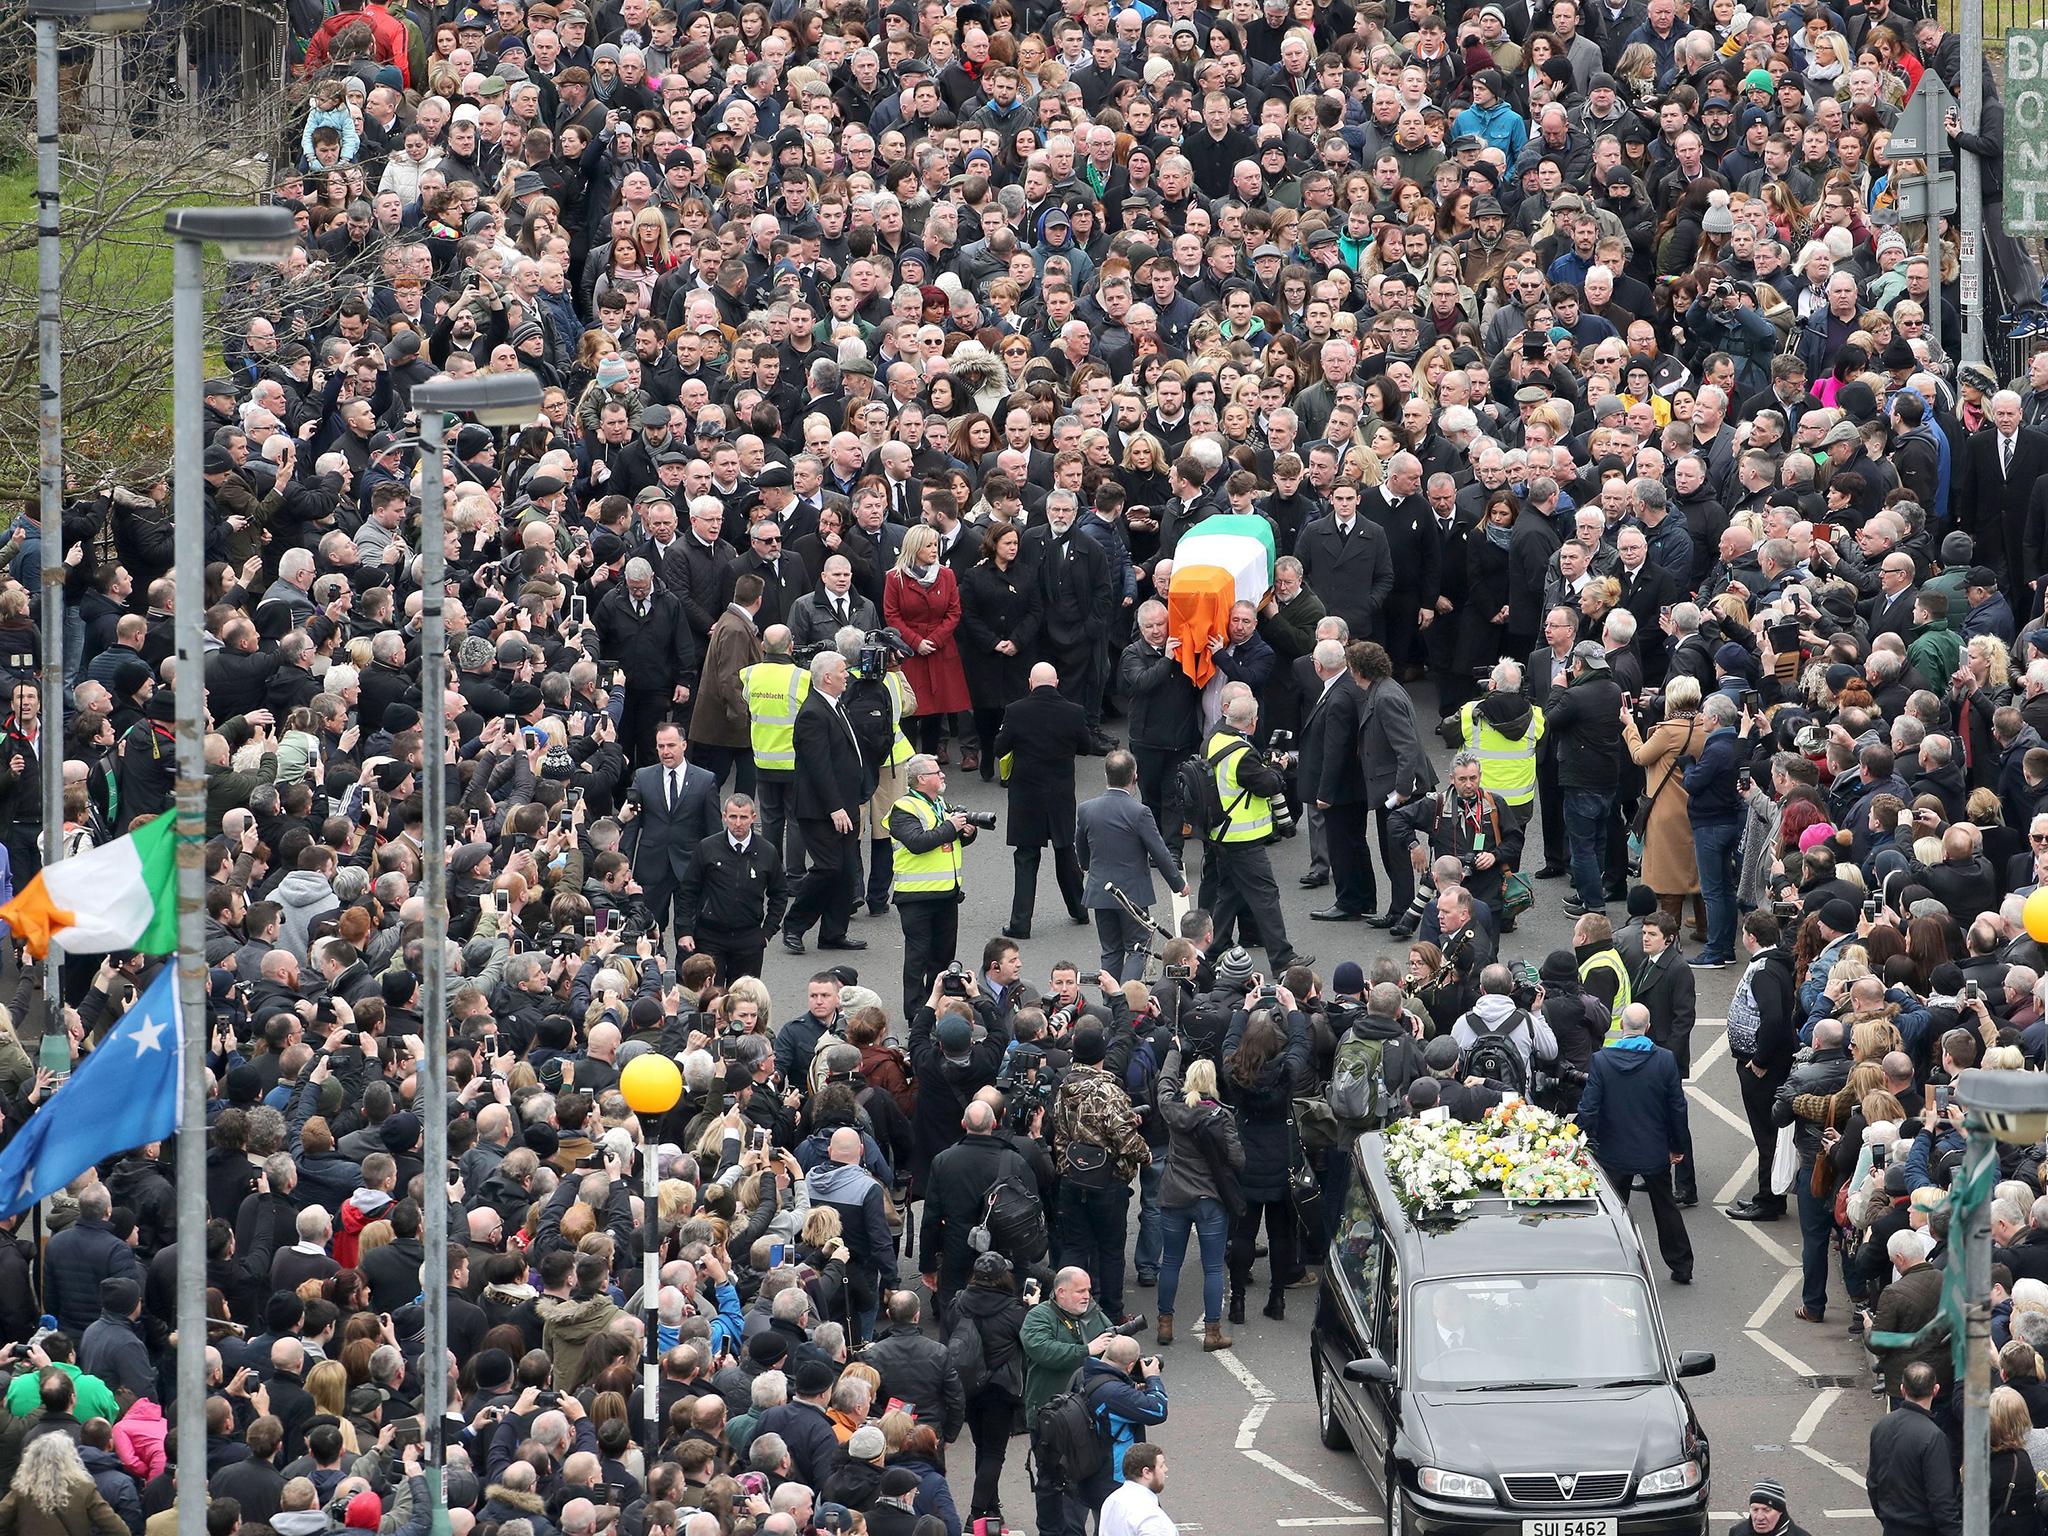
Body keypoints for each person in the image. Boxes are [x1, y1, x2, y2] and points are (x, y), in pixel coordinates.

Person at [1574, 1003, 1694, 1284]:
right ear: (1648, 1028)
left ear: (1622, 1027)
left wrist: (1579, 1143)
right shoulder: (1664, 1060)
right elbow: (1678, 1108)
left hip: (1613, 1152)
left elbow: (1589, 1108)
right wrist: (1677, 1147)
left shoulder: (1602, 1061)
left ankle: (1607, 1262)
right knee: (1665, 1208)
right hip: (1653, 1151)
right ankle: (1681, 1265)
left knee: (1613, 1211)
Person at [1048, 1025, 1151, 1330]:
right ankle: (1112, 1314)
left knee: (1075, 1246)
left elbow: (1063, 1128)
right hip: (1107, 1183)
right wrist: (1146, 1154)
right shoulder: (1108, 1091)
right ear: (1101, 1055)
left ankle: (1065, 1311)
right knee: (1110, 1250)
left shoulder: (1064, 1085)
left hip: (1071, 1178)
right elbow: (1124, 1138)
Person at [1201, 693, 1311, 973]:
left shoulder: (1214, 740)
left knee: (1229, 893)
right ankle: (1283, 959)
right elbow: (1269, 784)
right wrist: (1277, 767)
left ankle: (1210, 953)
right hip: (1242, 838)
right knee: (1265, 894)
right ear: (1252, 722)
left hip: (1220, 833)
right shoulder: (1242, 754)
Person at [1221, 989, 1312, 1324]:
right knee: (1279, 1233)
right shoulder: (1285, 1073)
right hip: (1280, 1159)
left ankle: (1238, 1302)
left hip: (1246, 1159)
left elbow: (1228, 1042)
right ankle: (1276, 1298)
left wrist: (1243, 1009)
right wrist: (1292, 1009)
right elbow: (1301, 1044)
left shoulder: (1234, 1072)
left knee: (1244, 1233)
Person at [1151, 1045, 1242, 1352]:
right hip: (1209, 1199)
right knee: (1214, 1267)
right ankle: (1212, 1332)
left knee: (1171, 1263)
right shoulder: (1222, 1116)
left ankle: (1165, 1324)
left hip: (1174, 1193)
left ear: (1186, 1081)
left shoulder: (1173, 1109)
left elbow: (1163, 1084)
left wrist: (1173, 1052)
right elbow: (1238, 1159)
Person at [994, 662, 1093, 939]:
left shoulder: (1015, 711)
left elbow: (1000, 747)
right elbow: (1085, 746)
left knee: (1026, 858)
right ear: (1057, 683)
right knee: (1065, 851)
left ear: (1030, 683)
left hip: (1027, 796)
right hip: (1060, 795)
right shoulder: (1074, 712)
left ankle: (1021, 923)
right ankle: (1080, 909)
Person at [783, 651, 869, 955]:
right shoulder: (813, 713)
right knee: (829, 868)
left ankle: (833, 933)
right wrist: (834, 807)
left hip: (845, 805)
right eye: (843, 671)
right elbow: (818, 766)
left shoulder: (835, 705)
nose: (848, 675)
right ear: (827, 677)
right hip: (821, 811)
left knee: (846, 871)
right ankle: (793, 925)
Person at [1077, 751, 1187, 982]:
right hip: (1133, 895)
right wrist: (1178, 884)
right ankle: (1127, 999)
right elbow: (1160, 852)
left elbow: (1081, 849)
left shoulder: (1086, 809)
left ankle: (1111, 1001)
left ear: (1106, 774)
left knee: (1110, 951)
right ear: (1134, 777)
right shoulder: (1139, 812)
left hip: (1100, 891)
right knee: (1137, 949)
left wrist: (1087, 866)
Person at [884, 753, 979, 1015]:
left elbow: (948, 842)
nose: (943, 774)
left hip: (947, 894)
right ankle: (916, 1011)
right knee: (918, 957)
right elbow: (917, 843)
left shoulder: (939, 803)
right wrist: (951, 826)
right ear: (921, 779)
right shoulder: (904, 808)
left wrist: (966, 833)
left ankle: (938, 1004)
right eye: (937, 772)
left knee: (943, 956)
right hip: (916, 896)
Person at [1021, 1268, 1113, 1536]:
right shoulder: (1039, 1316)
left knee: (1089, 1479)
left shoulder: (1093, 1314)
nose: (1087, 1296)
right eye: (1080, 1291)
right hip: (1052, 1421)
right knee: (1054, 1482)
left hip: (1086, 1418)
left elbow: (1112, 1343)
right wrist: (1086, 1350)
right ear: (1061, 1292)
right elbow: (1042, 1350)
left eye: (1088, 1290)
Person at [1727, 911, 1798, 1223]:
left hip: (1762, 1069)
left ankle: (1768, 1201)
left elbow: (1773, 1020)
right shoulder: (1768, 965)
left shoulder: (1765, 972)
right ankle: (1769, 1196)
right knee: (1767, 1133)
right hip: (1763, 1063)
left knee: (1766, 1134)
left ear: (1751, 937)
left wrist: (1759, 1061)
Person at [1546, 640, 1626, 916]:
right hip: (1607, 777)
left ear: (1578, 664)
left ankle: (1594, 904)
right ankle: (1588, 892)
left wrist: (1558, 688)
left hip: (1581, 780)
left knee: (1582, 845)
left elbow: (1550, 720)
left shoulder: (1575, 696)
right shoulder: (1613, 690)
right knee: (1598, 841)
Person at [622, 721, 722, 941]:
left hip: (690, 865)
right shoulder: (643, 777)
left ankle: (684, 975)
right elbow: (632, 826)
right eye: (660, 746)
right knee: (646, 930)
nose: (665, 752)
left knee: (690, 932)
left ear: (684, 745)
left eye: (671, 745)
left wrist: (716, 868)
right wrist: (624, 865)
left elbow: (714, 831)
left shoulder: (705, 780)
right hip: (651, 866)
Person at [675, 793, 787, 984]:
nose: (738, 823)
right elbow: (688, 891)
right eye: (733, 817)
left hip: (749, 939)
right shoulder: (707, 847)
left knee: (742, 1002)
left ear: (753, 818)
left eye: (743, 817)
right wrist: (685, 930)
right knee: (710, 997)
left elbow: (779, 894)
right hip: (710, 937)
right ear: (724, 816)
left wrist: (767, 932)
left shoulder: (767, 851)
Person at [740, 626, 811, 865]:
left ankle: (770, 869)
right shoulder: (803, 678)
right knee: (796, 820)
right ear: (791, 647)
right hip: (794, 762)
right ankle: (795, 873)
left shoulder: (749, 674)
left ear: (762, 647)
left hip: (763, 760)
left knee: (770, 819)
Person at [1866, 1361, 1961, 1536]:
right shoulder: (1934, 1437)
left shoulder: (1881, 1427)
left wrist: (1886, 1517)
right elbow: (1941, 1501)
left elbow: (1873, 1483)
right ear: (1935, 1390)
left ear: (1902, 1389)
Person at [1100, 1444, 1178, 1536]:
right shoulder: (1152, 1517)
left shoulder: (1111, 1500)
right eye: (1161, 1466)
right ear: (1146, 1472)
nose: (1165, 1469)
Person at [1735, 1479, 1811, 1536]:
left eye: (1766, 1510)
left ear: (1780, 1511)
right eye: (1755, 1509)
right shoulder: (1737, 1532)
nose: (1759, 1517)